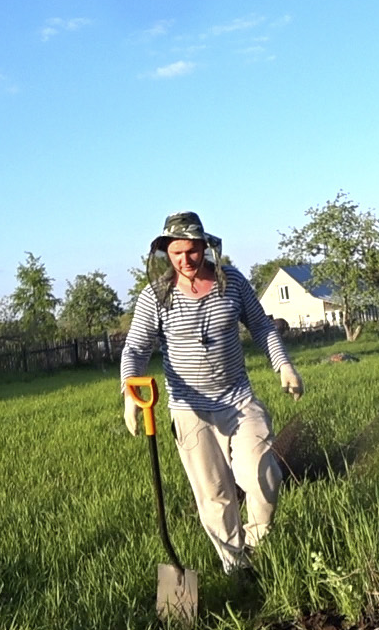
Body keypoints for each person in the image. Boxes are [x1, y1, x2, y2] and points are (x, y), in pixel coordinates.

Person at [119, 211, 303, 573]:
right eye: (176, 253)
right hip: (190, 411)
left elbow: (262, 326)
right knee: (215, 496)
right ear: (164, 254)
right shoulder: (156, 296)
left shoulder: (230, 281)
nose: (185, 260)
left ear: (205, 247)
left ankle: (255, 540)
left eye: (191, 251)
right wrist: (130, 393)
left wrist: (284, 365)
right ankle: (237, 569)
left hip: (238, 400)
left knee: (264, 477)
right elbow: (136, 349)